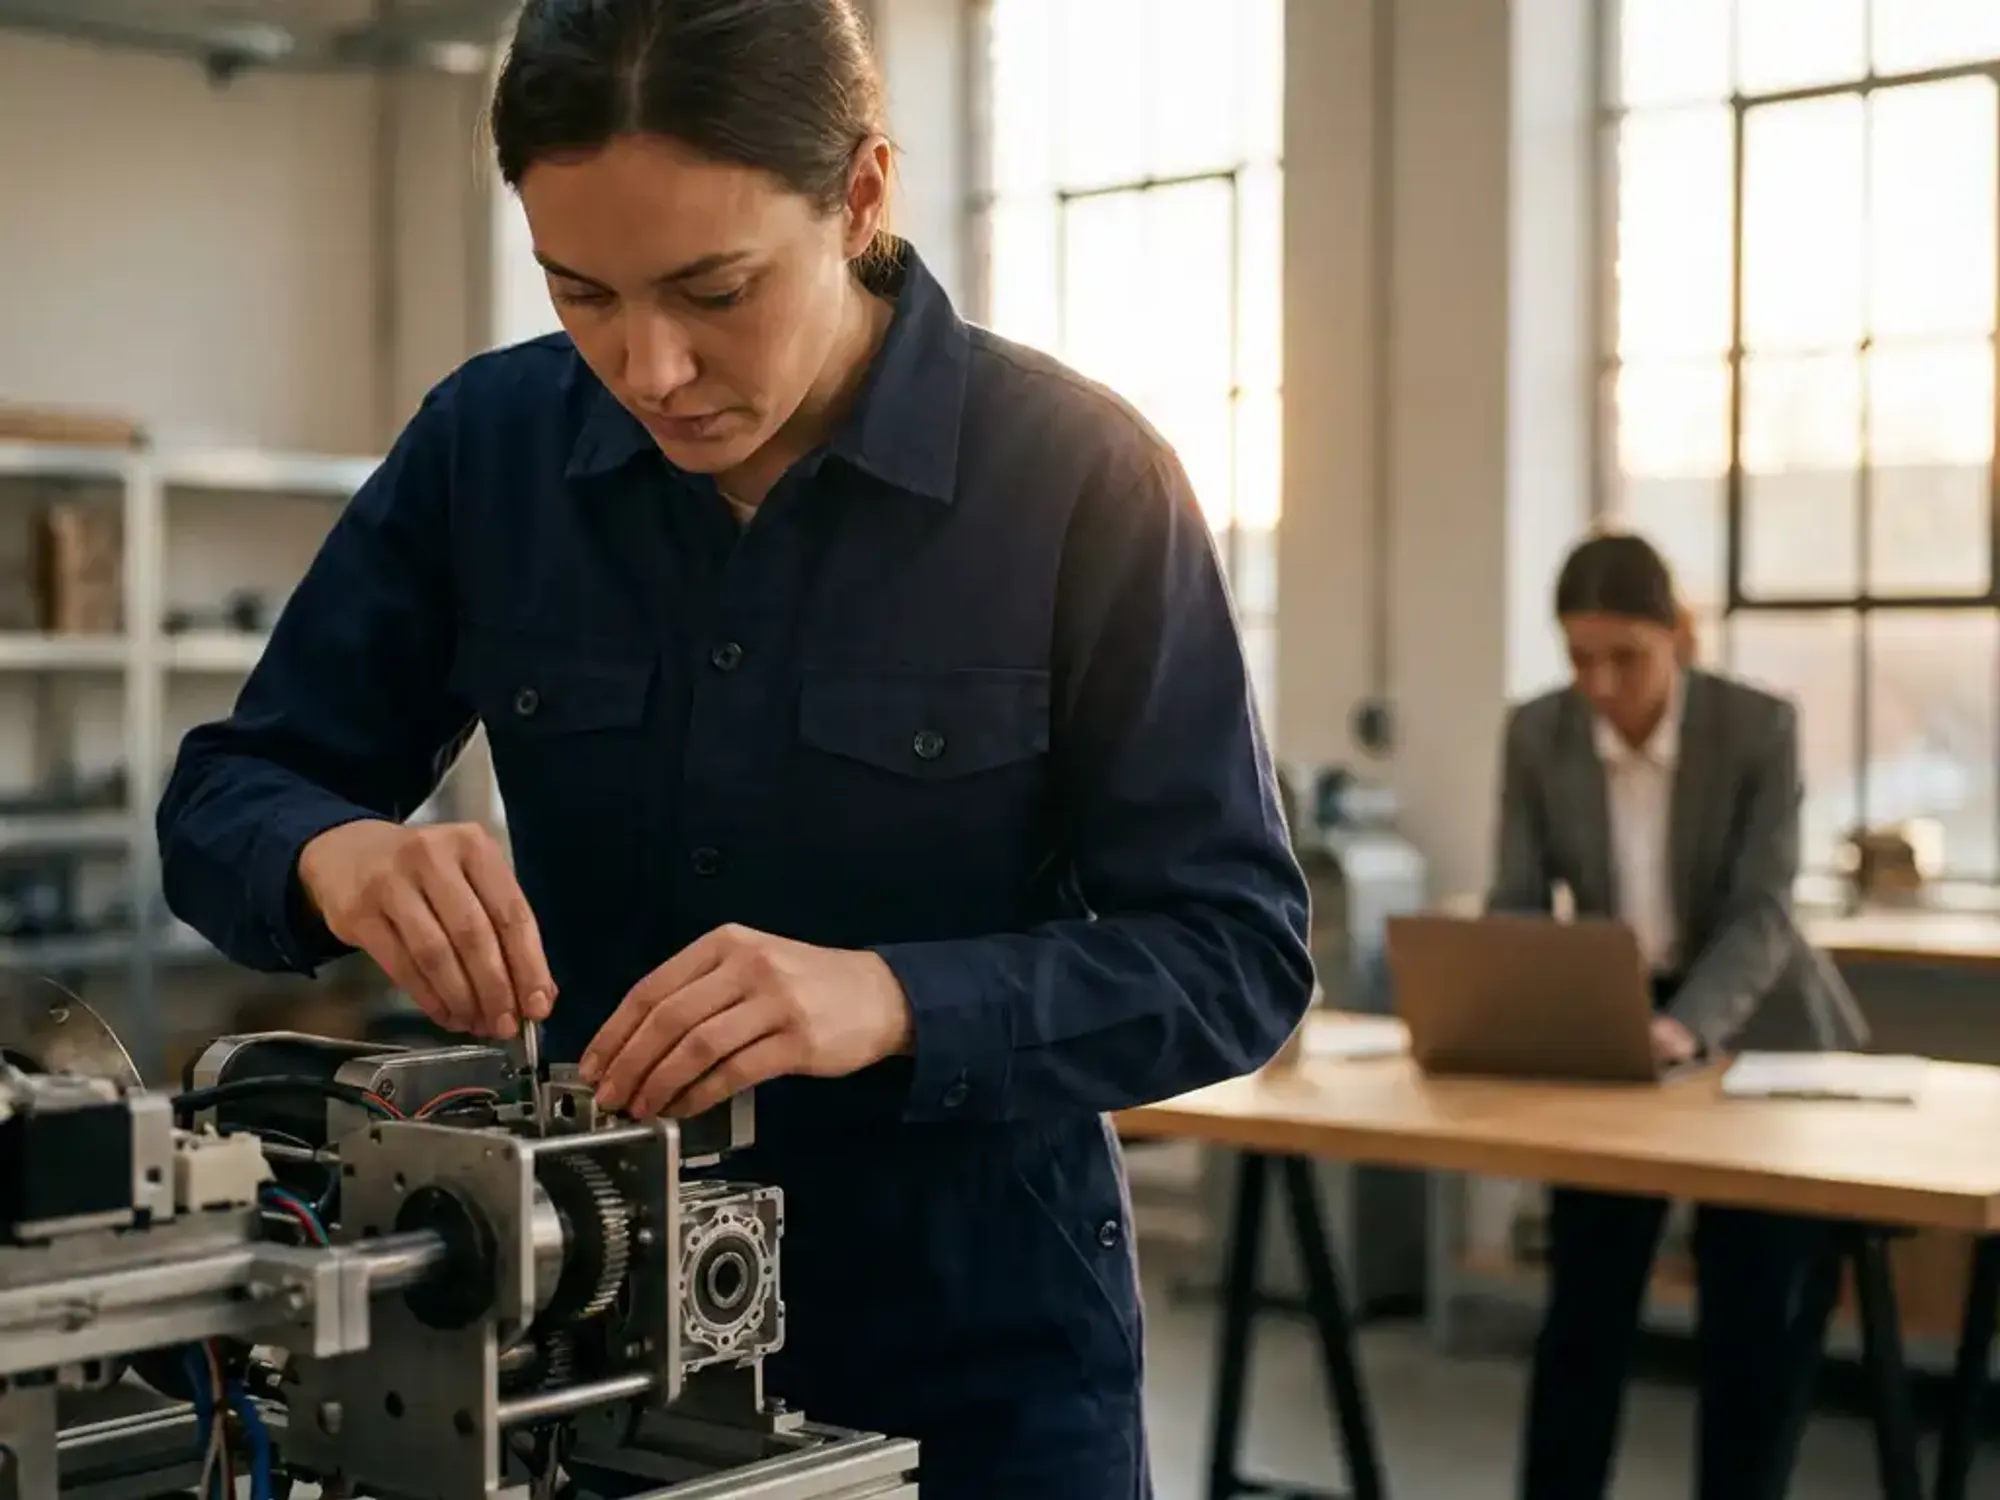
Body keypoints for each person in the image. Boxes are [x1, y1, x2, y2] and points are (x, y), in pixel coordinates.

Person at [154, 1, 1315, 1494]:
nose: (650, 368)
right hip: (570, 1358)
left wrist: (895, 998)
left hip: (971, 1371)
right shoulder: (486, 450)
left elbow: (1238, 955)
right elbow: (224, 799)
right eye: (584, 294)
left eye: (716, 290)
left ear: (864, 195)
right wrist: (340, 853)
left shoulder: (1081, 479)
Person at [1487, 530, 1868, 1500]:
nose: (1601, 684)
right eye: (1579, 659)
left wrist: (1684, 1025)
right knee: (1584, 1304)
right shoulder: (1537, 734)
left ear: (1679, 638)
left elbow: (1761, 910)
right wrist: (1521, 1010)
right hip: (1617, 1024)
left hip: (1757, 1028)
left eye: (1625, 657)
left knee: (1749, 1316)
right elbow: (1517, 901)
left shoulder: (1756, 728)